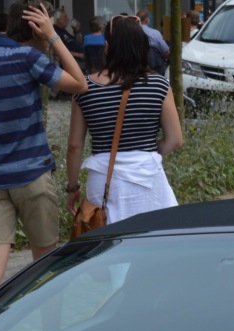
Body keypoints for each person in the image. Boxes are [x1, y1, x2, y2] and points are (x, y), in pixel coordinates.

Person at [0, 2, 88, 304]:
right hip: (32, 174)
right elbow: (80, 84)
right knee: (45, 264)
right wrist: (55, 40)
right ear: (36, 28)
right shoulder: (29, 58)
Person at [65, 15, 182, 225]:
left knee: (108, 247)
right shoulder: (159, 86)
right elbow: (175, 140)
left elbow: (74, 146)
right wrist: (144, 151)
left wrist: (72, 187)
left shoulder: (85, 88)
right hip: (148, 178)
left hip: (103, 181)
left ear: (107, 47)